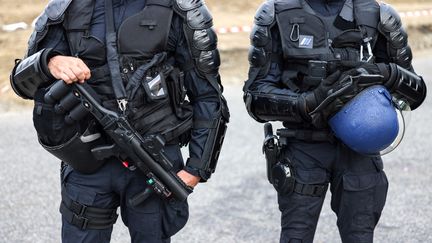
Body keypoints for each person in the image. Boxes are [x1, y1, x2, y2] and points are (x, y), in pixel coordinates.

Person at [10, 0, 229, 242]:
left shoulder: (179, 8)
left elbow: (208, 97)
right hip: (86, 160)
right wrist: (50, 62)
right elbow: (22, 83)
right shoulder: (65, 8)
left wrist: (196, 168)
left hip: (154, 160)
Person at [243, 0, 427, 242]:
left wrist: (386, 73)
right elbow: (255, 97)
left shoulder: (379, 16)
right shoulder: (277, 14)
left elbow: (415, 93)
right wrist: (309, 102)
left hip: (360, 152)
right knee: (295, 236)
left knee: (360, 236)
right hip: (304, 150)